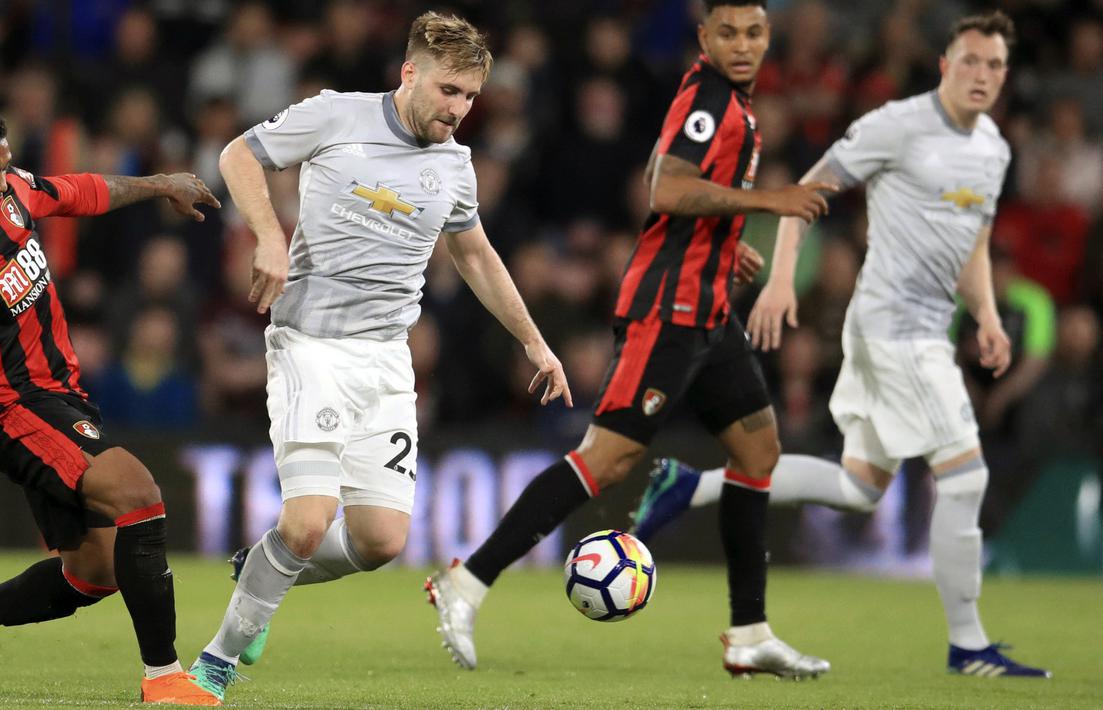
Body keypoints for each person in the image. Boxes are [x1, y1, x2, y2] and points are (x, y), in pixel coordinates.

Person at [629, 10, 1051, 678]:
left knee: (858, 489)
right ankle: (968, 646)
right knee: (966, 478)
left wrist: (989, 317)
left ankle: (688, 489)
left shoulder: (992, 149)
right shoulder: (897, 125)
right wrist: (777, 283)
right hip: (891, 328)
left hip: (924, 331)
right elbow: (814, 186)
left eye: (994, 65)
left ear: (1004, 75)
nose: (981, 75)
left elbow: (971, 241)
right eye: (969, 61)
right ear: (945, 65)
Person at [427, 0, 835, 679]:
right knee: (607, 458)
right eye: (727, 31)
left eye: (755, 32)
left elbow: (665, 167)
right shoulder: (709, 94)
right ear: (703, 37)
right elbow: (667, 186)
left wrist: (724, 242)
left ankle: (748, 632)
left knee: (757, 449)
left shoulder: (722, 102)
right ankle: (465, 581)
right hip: (668, 309)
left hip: (707, 307)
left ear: (769, 37)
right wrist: (766, 202)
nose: (742, 44)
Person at [185, 12, 571, 701]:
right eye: (449, 90)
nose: (459, 109)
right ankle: (213, 665)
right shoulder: (335, 116)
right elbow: (237, 155)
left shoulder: (454, 166)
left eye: (470, 97)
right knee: (305, 524)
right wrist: (268, 238)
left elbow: (475, 255)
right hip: (311, 346)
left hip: (387, 361)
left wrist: (534, 340)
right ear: (410, 73)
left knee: (380, 542)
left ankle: (259, 569)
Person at [0, 99, 223, 704]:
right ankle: (165, 678)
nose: (1, 185)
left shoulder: (14, 189)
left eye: (4, 169)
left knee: (93, 574)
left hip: (61, 397)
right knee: (139, 494)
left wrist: (160, 184)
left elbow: (79, 190)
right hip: (9, 411)